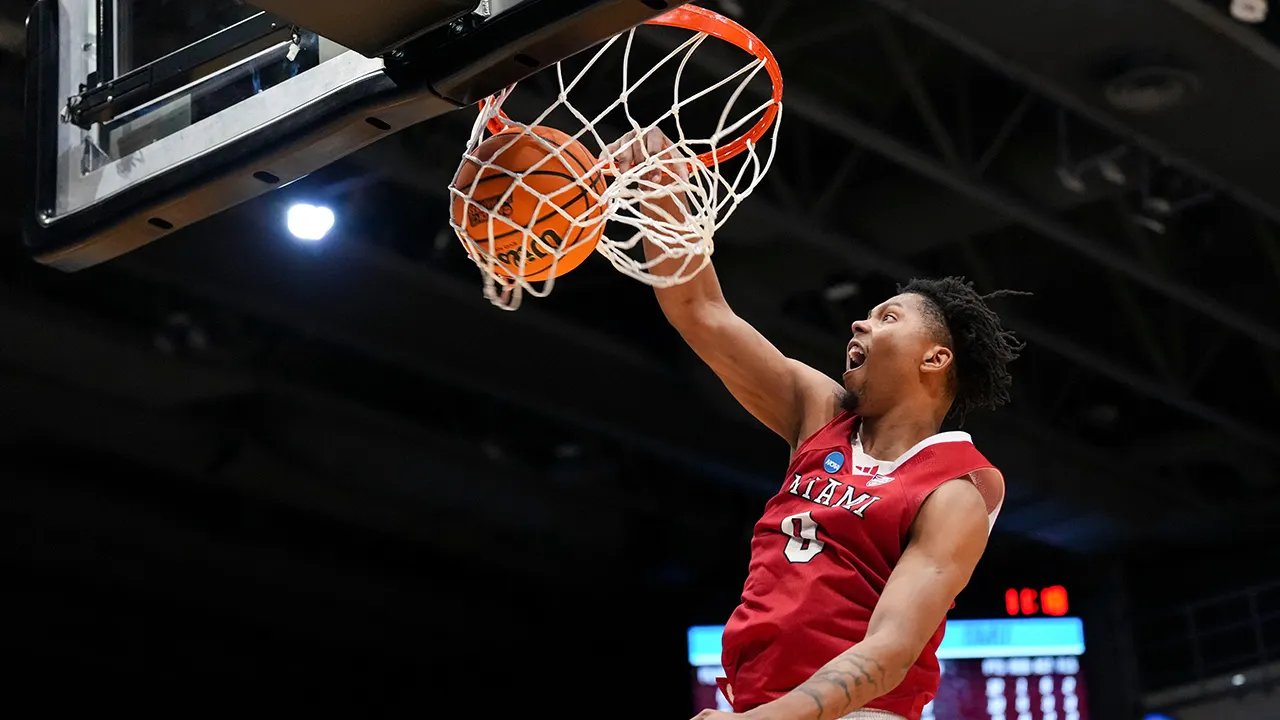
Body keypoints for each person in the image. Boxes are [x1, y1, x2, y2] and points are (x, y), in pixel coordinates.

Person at [607, 129, 1023, 720]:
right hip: (761, 704)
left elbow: (888, 654)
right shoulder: (819, 410)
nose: (859, 324)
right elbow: (702, 313)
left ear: (935, 358)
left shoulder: (955, 492)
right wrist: (662, 195)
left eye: (887, 318)